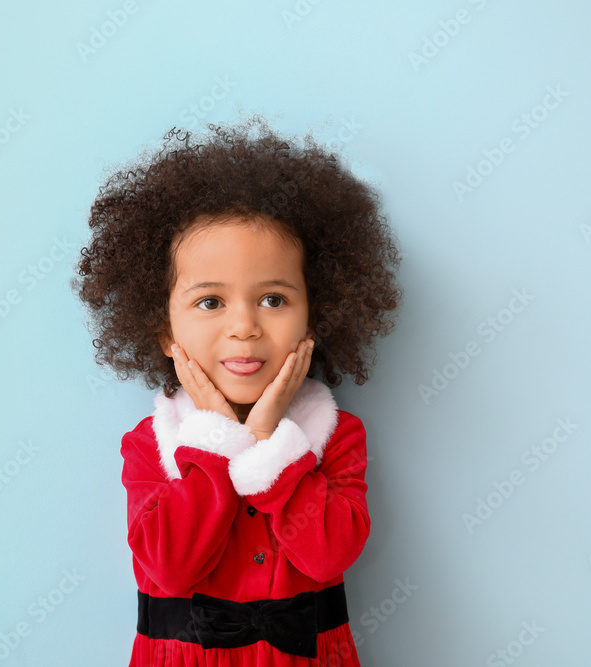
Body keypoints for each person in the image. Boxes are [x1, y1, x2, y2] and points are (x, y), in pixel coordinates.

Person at [74, 114, 403, 666]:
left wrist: (270, 439)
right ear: (164, 330)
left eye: (273, 299)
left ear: (314, 316)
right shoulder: (150, 445)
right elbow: (170, 567)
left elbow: (328, 557)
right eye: (210, 302)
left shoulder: (338, 436)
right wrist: (219, 443)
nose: (244, 326)